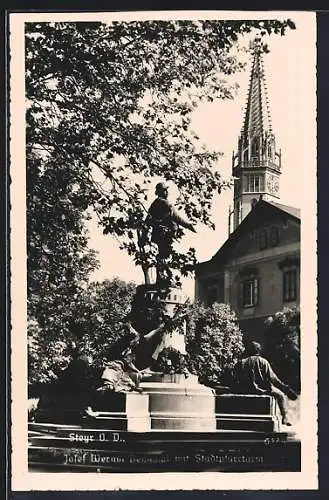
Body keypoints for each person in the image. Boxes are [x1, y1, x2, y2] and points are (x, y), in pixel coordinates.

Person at [141, 182, 196, 285]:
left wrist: (143, 237)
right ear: (162, 192)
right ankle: (163, 278)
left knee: (162, 255)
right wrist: (189, 225)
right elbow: (177, 218)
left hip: (158, 234)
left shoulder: (154, 204)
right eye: (166, 190)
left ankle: (162, 277)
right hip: (165, 234)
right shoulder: (166, 204)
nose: (167, 192)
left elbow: (147, 221)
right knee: (164, 255)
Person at [234, 341, 298, 426]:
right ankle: (285, 417)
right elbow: (273, 379)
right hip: (262, 390)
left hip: (245, 389)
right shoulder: (263, 362)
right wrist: (285, 388)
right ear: (258, 350)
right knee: (281, 396)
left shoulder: (241, 362)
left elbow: (235, 378)